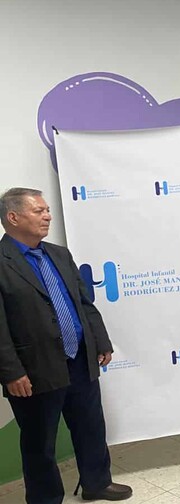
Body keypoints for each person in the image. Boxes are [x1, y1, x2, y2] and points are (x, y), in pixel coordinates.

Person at [0, 187, 132, 503]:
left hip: (79, 358)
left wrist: (100, 340)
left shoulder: (59, 254)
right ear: (13, 217)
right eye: (39, 211)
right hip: (33, 369)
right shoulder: (2, 262)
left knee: (90, 426)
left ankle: (96, 483)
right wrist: (11, 372)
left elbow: (83, 302)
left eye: (47, 210)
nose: (47, 216)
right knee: (40, 441)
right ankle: (45, 498)